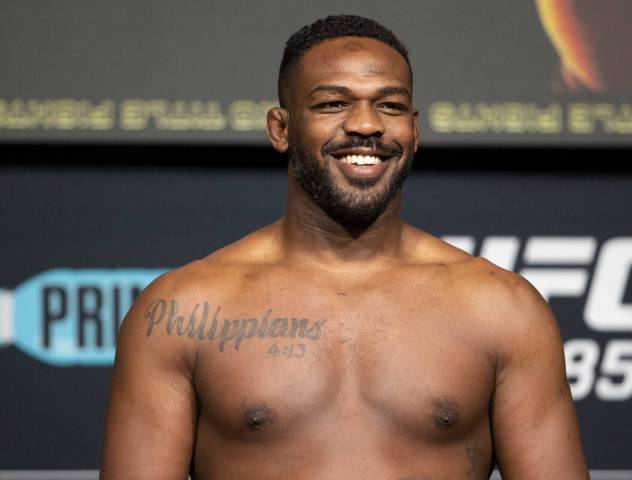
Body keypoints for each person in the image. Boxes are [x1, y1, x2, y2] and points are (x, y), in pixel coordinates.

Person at [100, 14, 589, 479]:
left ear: (414, 131)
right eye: (333, 103)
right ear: (281, 128)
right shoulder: (181, 309)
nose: (366, 125)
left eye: (390, 106)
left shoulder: (503, 309)